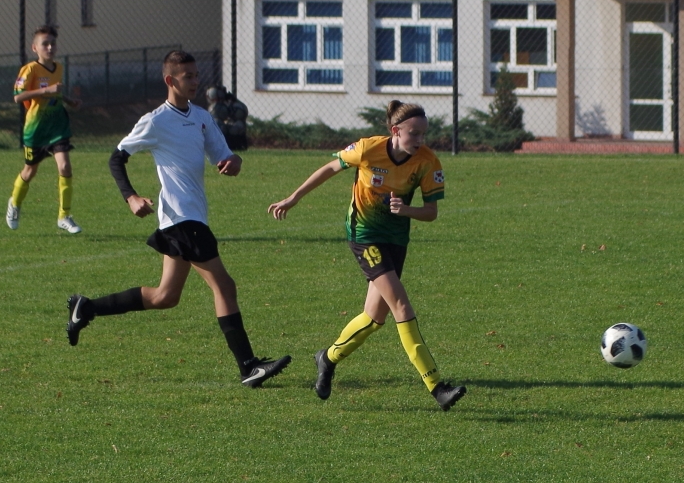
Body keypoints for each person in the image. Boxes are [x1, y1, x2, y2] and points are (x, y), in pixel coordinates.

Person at [66, 50, 291, 388]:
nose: (196, 81)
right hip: (181, 218)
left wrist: (234, 163)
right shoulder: (156, 121)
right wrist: (131, 197)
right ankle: (248, 366)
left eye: (197, 75)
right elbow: (117, 158)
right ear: (170, 80)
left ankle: (86, 308)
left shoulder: (202, 116)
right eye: (188, 76)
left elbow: (226, 155)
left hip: (189, 218)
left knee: (165, 297)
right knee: (224, 286)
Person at [268, 100, 467, 411]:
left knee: (375, 318)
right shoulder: (367, 149)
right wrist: (293, 198)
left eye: (423, 134)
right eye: (414, 134)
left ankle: (328, 357)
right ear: (395, 131)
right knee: (400, 304)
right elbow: (329, 168)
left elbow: (431, 213)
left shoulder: (427, 162)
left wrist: (407, 210)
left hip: (396, 239)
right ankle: (437, 387)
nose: (420, 140)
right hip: (364, 237)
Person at [8, 25, 83, 233]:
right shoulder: (30, 69)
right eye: (45, 44)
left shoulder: (58, 68)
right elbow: (17, 96)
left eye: (53, 43)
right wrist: (46, 89)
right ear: (35, 48)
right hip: (36, 129)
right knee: (30, 170)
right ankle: (14, 203)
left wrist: (68, 100)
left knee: (65, 167)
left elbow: (55, 94)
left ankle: (64, 216)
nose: (50, 47)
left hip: (57, 125)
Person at [205, 86, 248, 151]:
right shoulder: (214, 109)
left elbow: (243, 112)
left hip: (231, 127)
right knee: (217, 123)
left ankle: (237, 145)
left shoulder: (235, 105)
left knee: (238, 124)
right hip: (220, 125)